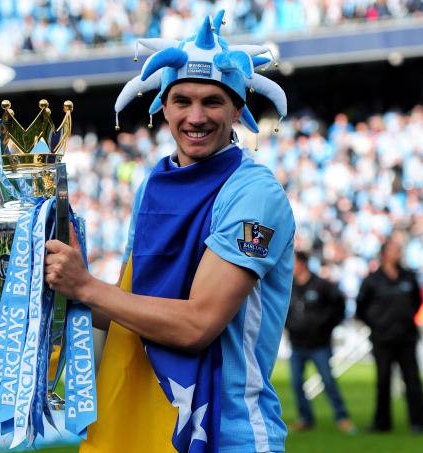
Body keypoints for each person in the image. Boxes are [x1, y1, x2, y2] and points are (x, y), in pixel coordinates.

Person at [45, 13, 295, 453]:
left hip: (233, 436)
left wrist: (86, 287)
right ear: (163, 106)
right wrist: (51, 285)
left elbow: (197, 324)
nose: (195, 117)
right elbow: (129, 310)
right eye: (182, 100)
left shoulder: (254, 193)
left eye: (212, 101)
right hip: (155, 429)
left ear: (237, 109)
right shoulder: (152, 187)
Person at [356, 237, 423, 433]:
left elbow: (416, 302)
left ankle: (418, 422)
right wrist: (378, 324)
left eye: (399, 249)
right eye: (393, 249)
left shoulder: (408, 277)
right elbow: (361, 308)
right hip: (382, 339)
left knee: (412, 380)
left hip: (406, 338)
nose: (397, 253)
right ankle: (382, 423)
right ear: (384, 253)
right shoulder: (372, 280)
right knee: (383, 380)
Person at [285, 251, 355, 433]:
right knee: (296, 383)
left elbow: (339, 306)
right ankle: (305, 418)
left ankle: (342, 417)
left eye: (293, 261)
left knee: (328, 381)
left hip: (319, 344)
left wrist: (326, 327)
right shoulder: (289, 286)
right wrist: (289, 326)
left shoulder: (321, 285)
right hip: (297, 344)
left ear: (303, 263)